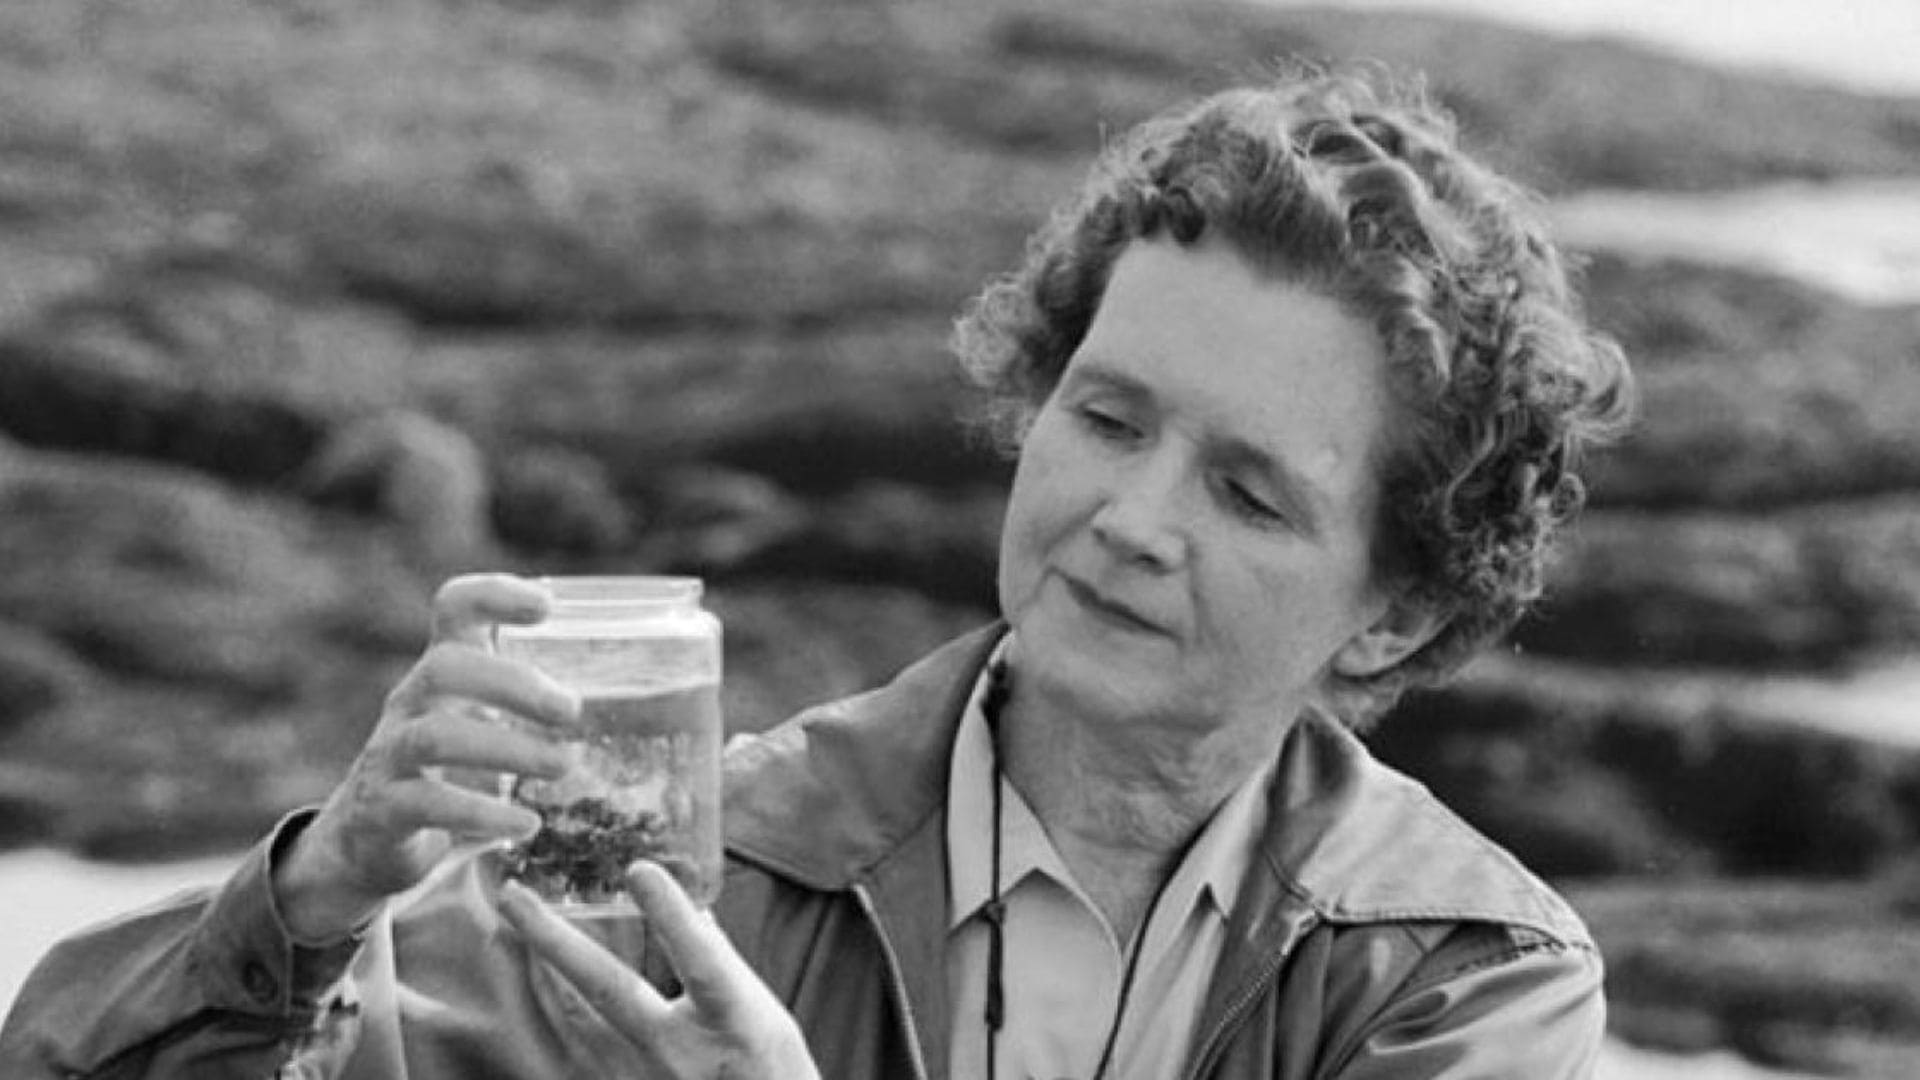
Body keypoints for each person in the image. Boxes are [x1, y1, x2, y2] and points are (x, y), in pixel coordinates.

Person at [0, 65, 1632, 1079]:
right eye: (1107, 415)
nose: (1131, 516)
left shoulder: (1464, 974)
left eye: (1249, 494)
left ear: (1403, 603)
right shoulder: (695, 870)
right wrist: (314, 897)